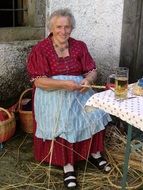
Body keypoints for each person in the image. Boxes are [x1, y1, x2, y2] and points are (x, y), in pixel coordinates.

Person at [27, 8, 112, 189]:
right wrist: (64, 85)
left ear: (72, 28)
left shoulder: (80, 46)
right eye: (59, 27)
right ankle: (68, 165)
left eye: (67, 27)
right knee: (65, 118)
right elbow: (39, 82)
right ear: (51, 27)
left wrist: (88, 80)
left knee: (95, 110)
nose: (63, 31)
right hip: (52, 94)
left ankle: (95, 153)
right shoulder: (41, 49)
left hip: (79, 91)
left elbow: (91, 70)